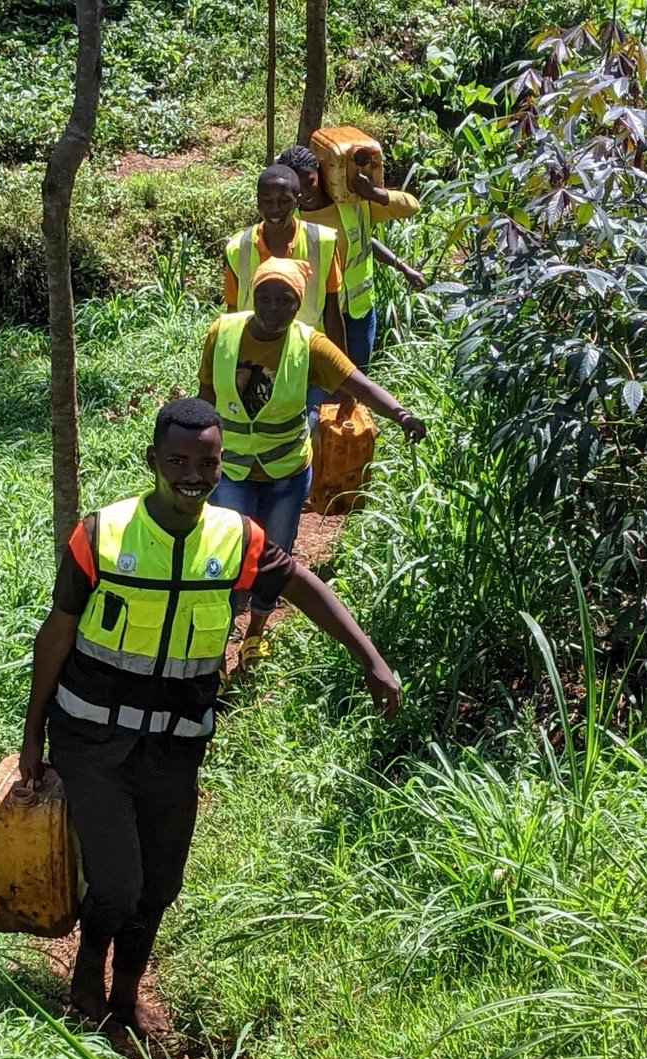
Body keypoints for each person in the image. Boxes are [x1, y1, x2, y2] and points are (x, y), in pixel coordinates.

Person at [18, 396, 405, 1038]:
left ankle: (126, 997)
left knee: (159, 885)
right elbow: (55, 634)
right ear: (153, 461)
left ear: (221, 465)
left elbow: (305, 586)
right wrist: (34, 737)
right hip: (92, 738)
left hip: (175, 745)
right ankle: (86, 977)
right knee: (117, 881)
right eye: (178, 460)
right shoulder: (102, 535)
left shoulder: (236, 538)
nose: (193, 475)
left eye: (207, 462)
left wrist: (371, 659)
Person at [198, 256, 427, 669]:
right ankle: (215, 647)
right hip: (231, 470)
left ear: (297, 303)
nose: (274, 308)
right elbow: (206, 397)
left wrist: (401, 414)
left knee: (276, 556)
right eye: (265, 298)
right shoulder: (224, 332)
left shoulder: (310, 344)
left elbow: (358, 383)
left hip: (285, 472)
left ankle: (256, 633)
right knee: (229, 555)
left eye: (285, 300)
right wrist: (192, 456)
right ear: (254, 296)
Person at [276, 144, 427, 376]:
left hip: (359, 314)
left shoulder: (351, 205)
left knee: (356, 384)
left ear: (320, 173)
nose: (303, 192)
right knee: (320, 387)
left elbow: (408, 209)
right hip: (316, 320)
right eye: (296, 186)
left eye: (310, 182)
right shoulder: (289, 221)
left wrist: (375, 194)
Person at [225, 164, 347, 353]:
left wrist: (340, 374)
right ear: (258, 202)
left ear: (297, 202)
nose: (275, 210)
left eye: (284, 201)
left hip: (308, 356)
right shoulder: (238, 248)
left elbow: (332, 313)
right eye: (267, 201)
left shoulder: (323, 243)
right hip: (258, 359)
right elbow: (233, 313)